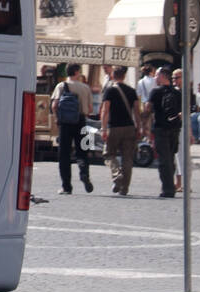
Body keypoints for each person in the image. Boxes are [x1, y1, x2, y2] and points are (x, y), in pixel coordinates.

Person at [51, 63, 93, 194]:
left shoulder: (61, 86)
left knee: (64, 154)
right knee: (83, 151)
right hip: (81, 121)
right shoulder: (85, 87)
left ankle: (66, 186)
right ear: (76, 72)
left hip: (65, 123)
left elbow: (54, 105)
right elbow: (90, 109)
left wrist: (57, 118)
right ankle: (84, 172)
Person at [99, 65, 141, 196]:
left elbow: (105, 110)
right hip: (129, 127)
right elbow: (136, 110)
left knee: (109, 154)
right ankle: (124, 188)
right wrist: (138, 127)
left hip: (114, 127)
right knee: (127, 158)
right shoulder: (131, 91)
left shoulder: (110, 91)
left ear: (113, 76)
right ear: (124, 76)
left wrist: (103, 128)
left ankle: (117, 174)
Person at [145, 68, 183, 198]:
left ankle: (167, 189)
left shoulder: (155, 92)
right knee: (170, 158)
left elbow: (147, 109)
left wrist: (145, 127)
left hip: (161, 128)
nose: (155, 78)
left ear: (162, 76)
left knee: (163, 160)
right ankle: (170, 185)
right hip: (175, 129)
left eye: (157, 75)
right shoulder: (178, 93)